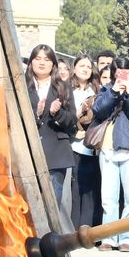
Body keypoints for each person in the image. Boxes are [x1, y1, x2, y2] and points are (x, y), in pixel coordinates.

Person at [90, 58, 129, 252]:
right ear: (114, 73)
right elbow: (98, 111)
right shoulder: (106, 89)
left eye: (126, 71)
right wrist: (114, 92)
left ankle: (127, 238)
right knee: (108, 198)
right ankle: (108, 237)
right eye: (119, 71)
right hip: (108, 149)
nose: (123, 74)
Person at [24, 44, 76, 221]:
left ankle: (52, 236)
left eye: (46, 59)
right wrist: (36, 114)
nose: (42, 63)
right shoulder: (22, 86)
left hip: (55, 152)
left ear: (53, 64)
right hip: (28, 152)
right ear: (31, 62)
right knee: (28, 207)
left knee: (52, 206)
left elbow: (72, 121)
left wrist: (57, 113)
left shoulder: (63, 87)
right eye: (38, 58)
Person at [67, 55, 102, 229]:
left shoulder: (96, 90)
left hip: (92, 147)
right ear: (74, 69)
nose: (85, 69)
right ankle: (73, 231)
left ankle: (86, 230)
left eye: (88, 66)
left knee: (89, 192)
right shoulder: (67, 90)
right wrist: (79, 112)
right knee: (74, 191)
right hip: (72, 146)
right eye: (82, 66)